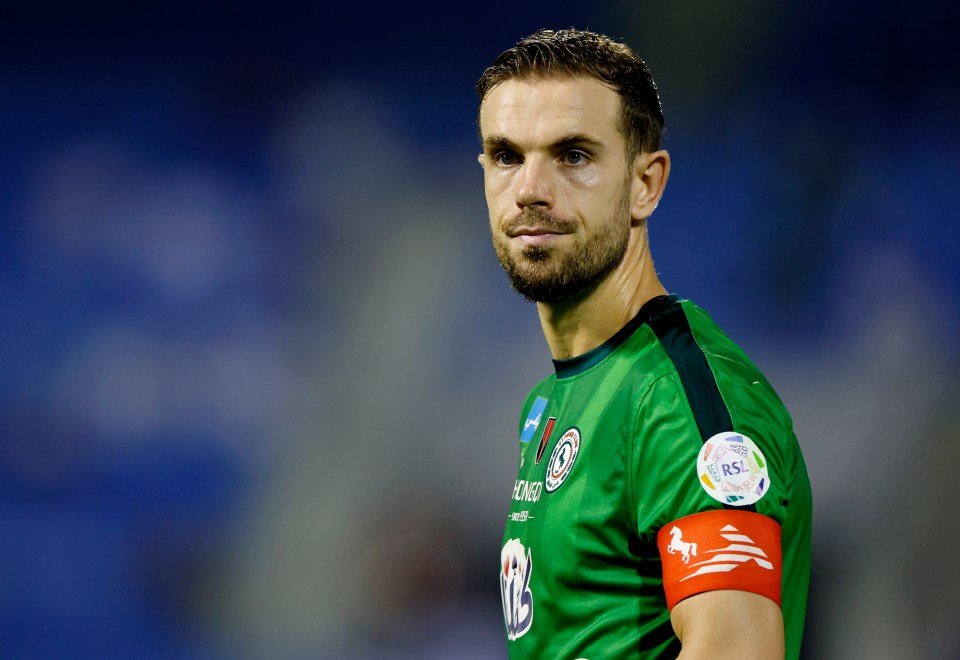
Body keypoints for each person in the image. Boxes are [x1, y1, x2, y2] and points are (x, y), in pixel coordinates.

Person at [477, 28, 811, 659]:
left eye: (573, 155)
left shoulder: (676, 397)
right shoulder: (552, 399)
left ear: (646, 185)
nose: (530, 189)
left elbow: (737, 650)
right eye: (506, 156)